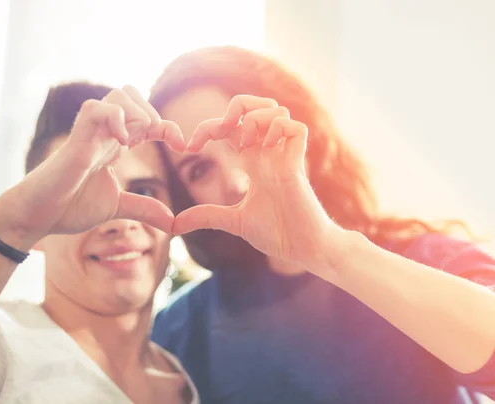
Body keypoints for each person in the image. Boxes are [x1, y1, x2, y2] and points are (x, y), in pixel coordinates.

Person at [149, 46, 495, 404]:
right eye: (199, 170)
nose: (236, 180)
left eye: (245, 138)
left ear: (299, 129)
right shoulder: (182, 328)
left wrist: (329, 251)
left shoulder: (428, 260)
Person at [0, 82, 199, 404]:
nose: (120, 222)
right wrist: (13, 225)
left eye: (145, 191)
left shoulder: (190, 377)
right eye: (82, 193)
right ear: (39, 229)